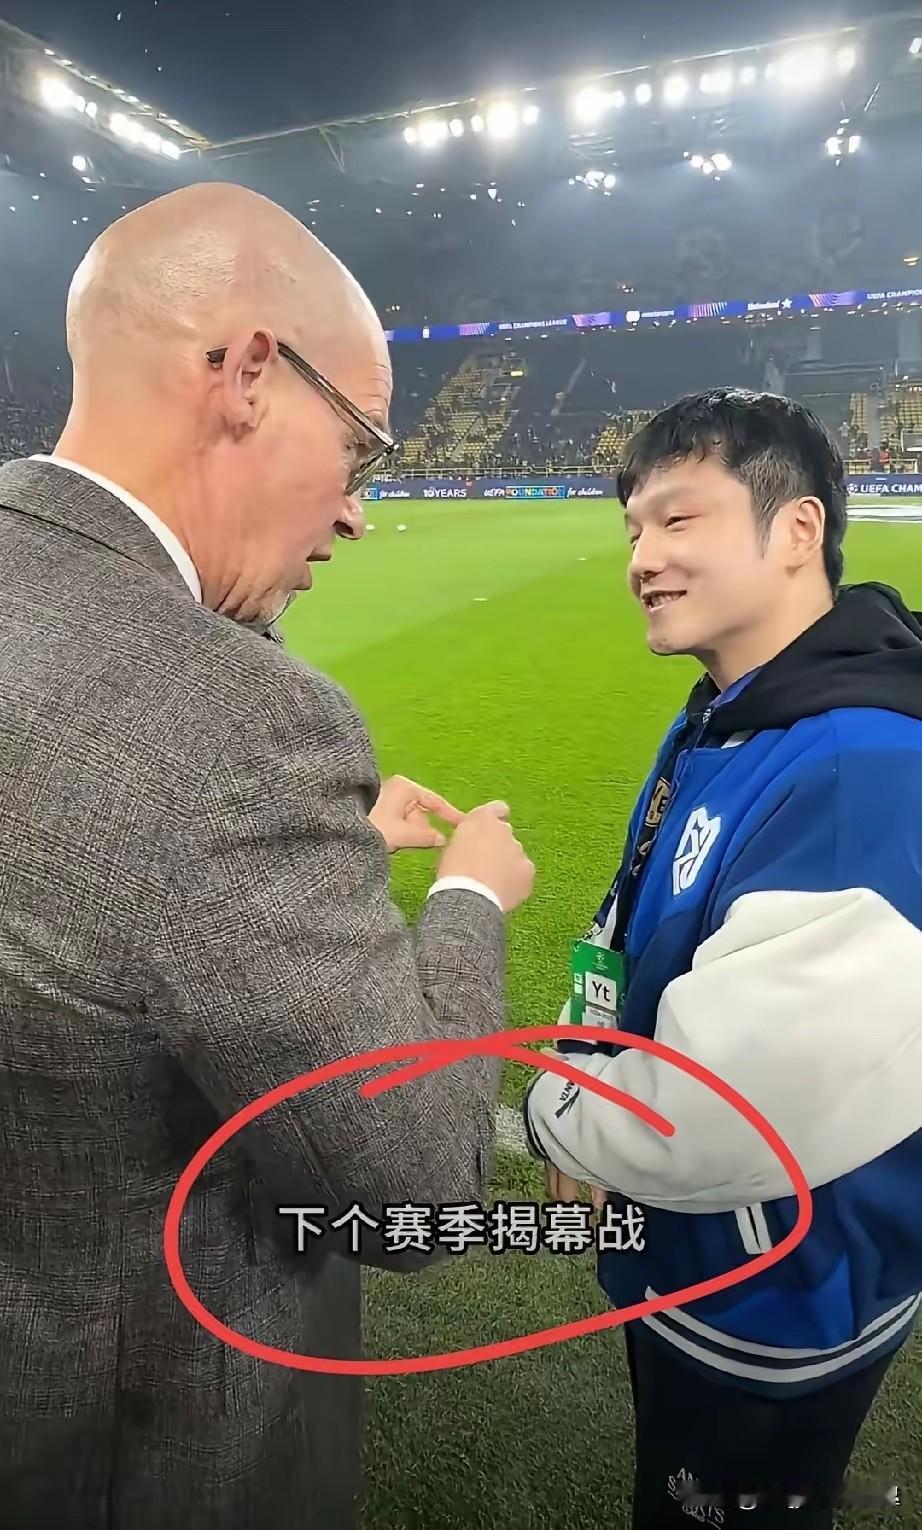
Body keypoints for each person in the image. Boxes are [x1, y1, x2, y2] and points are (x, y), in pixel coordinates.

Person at [0, 183, 534, 1529]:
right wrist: (466, 897)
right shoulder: (238, 722)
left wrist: (267, 869)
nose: (355, 512)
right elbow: (414, 1178)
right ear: (246, 375)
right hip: (133, 1462)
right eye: (359, 448)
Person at [524, 389, 922, 1527]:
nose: (642, 560)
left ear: (796, 530)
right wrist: (586, 1060)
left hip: (778, 1293)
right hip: (688, 1247)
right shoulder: (728, 712)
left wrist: (560, 1111)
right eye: (633, 531)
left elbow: (721, 1118)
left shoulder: (858, 767)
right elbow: (626, 918)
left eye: (678, 520)